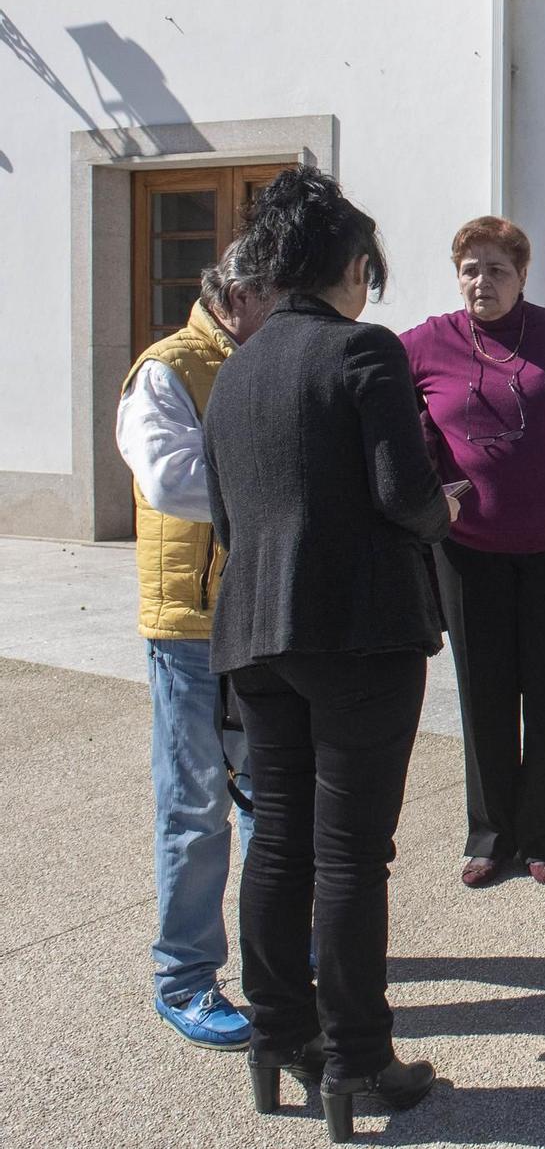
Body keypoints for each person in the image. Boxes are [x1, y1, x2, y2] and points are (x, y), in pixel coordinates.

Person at [203, 166, 451, 1134]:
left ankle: (278, 1040)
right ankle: (355, 1059)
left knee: (277, 841)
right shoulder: (365, 354)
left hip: (256, 633)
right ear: (350, 267)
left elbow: (226, 516)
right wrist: (446, 509)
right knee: (352, 854)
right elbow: (405, 492)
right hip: (358, 630)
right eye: (367, 275)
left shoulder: (236, 370)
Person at [402, 216, 545, 890]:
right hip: (468, 551)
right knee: (484, 692)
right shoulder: (424, 344)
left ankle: (542, 835)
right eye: (471, 268)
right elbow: (384, 412)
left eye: (497, 268)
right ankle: (489, 833)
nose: (483, 281)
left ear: (523, 275)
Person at [115, 243, 277, 1050]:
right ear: (239, 295)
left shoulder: (260, 356)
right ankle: (183, 976)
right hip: (189, 624)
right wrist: (281, 476)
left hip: (260, 612)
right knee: (193, 806)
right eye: (279, 297)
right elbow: (170, 477)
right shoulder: (167, 368)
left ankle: (274, 951)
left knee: (268, 791)